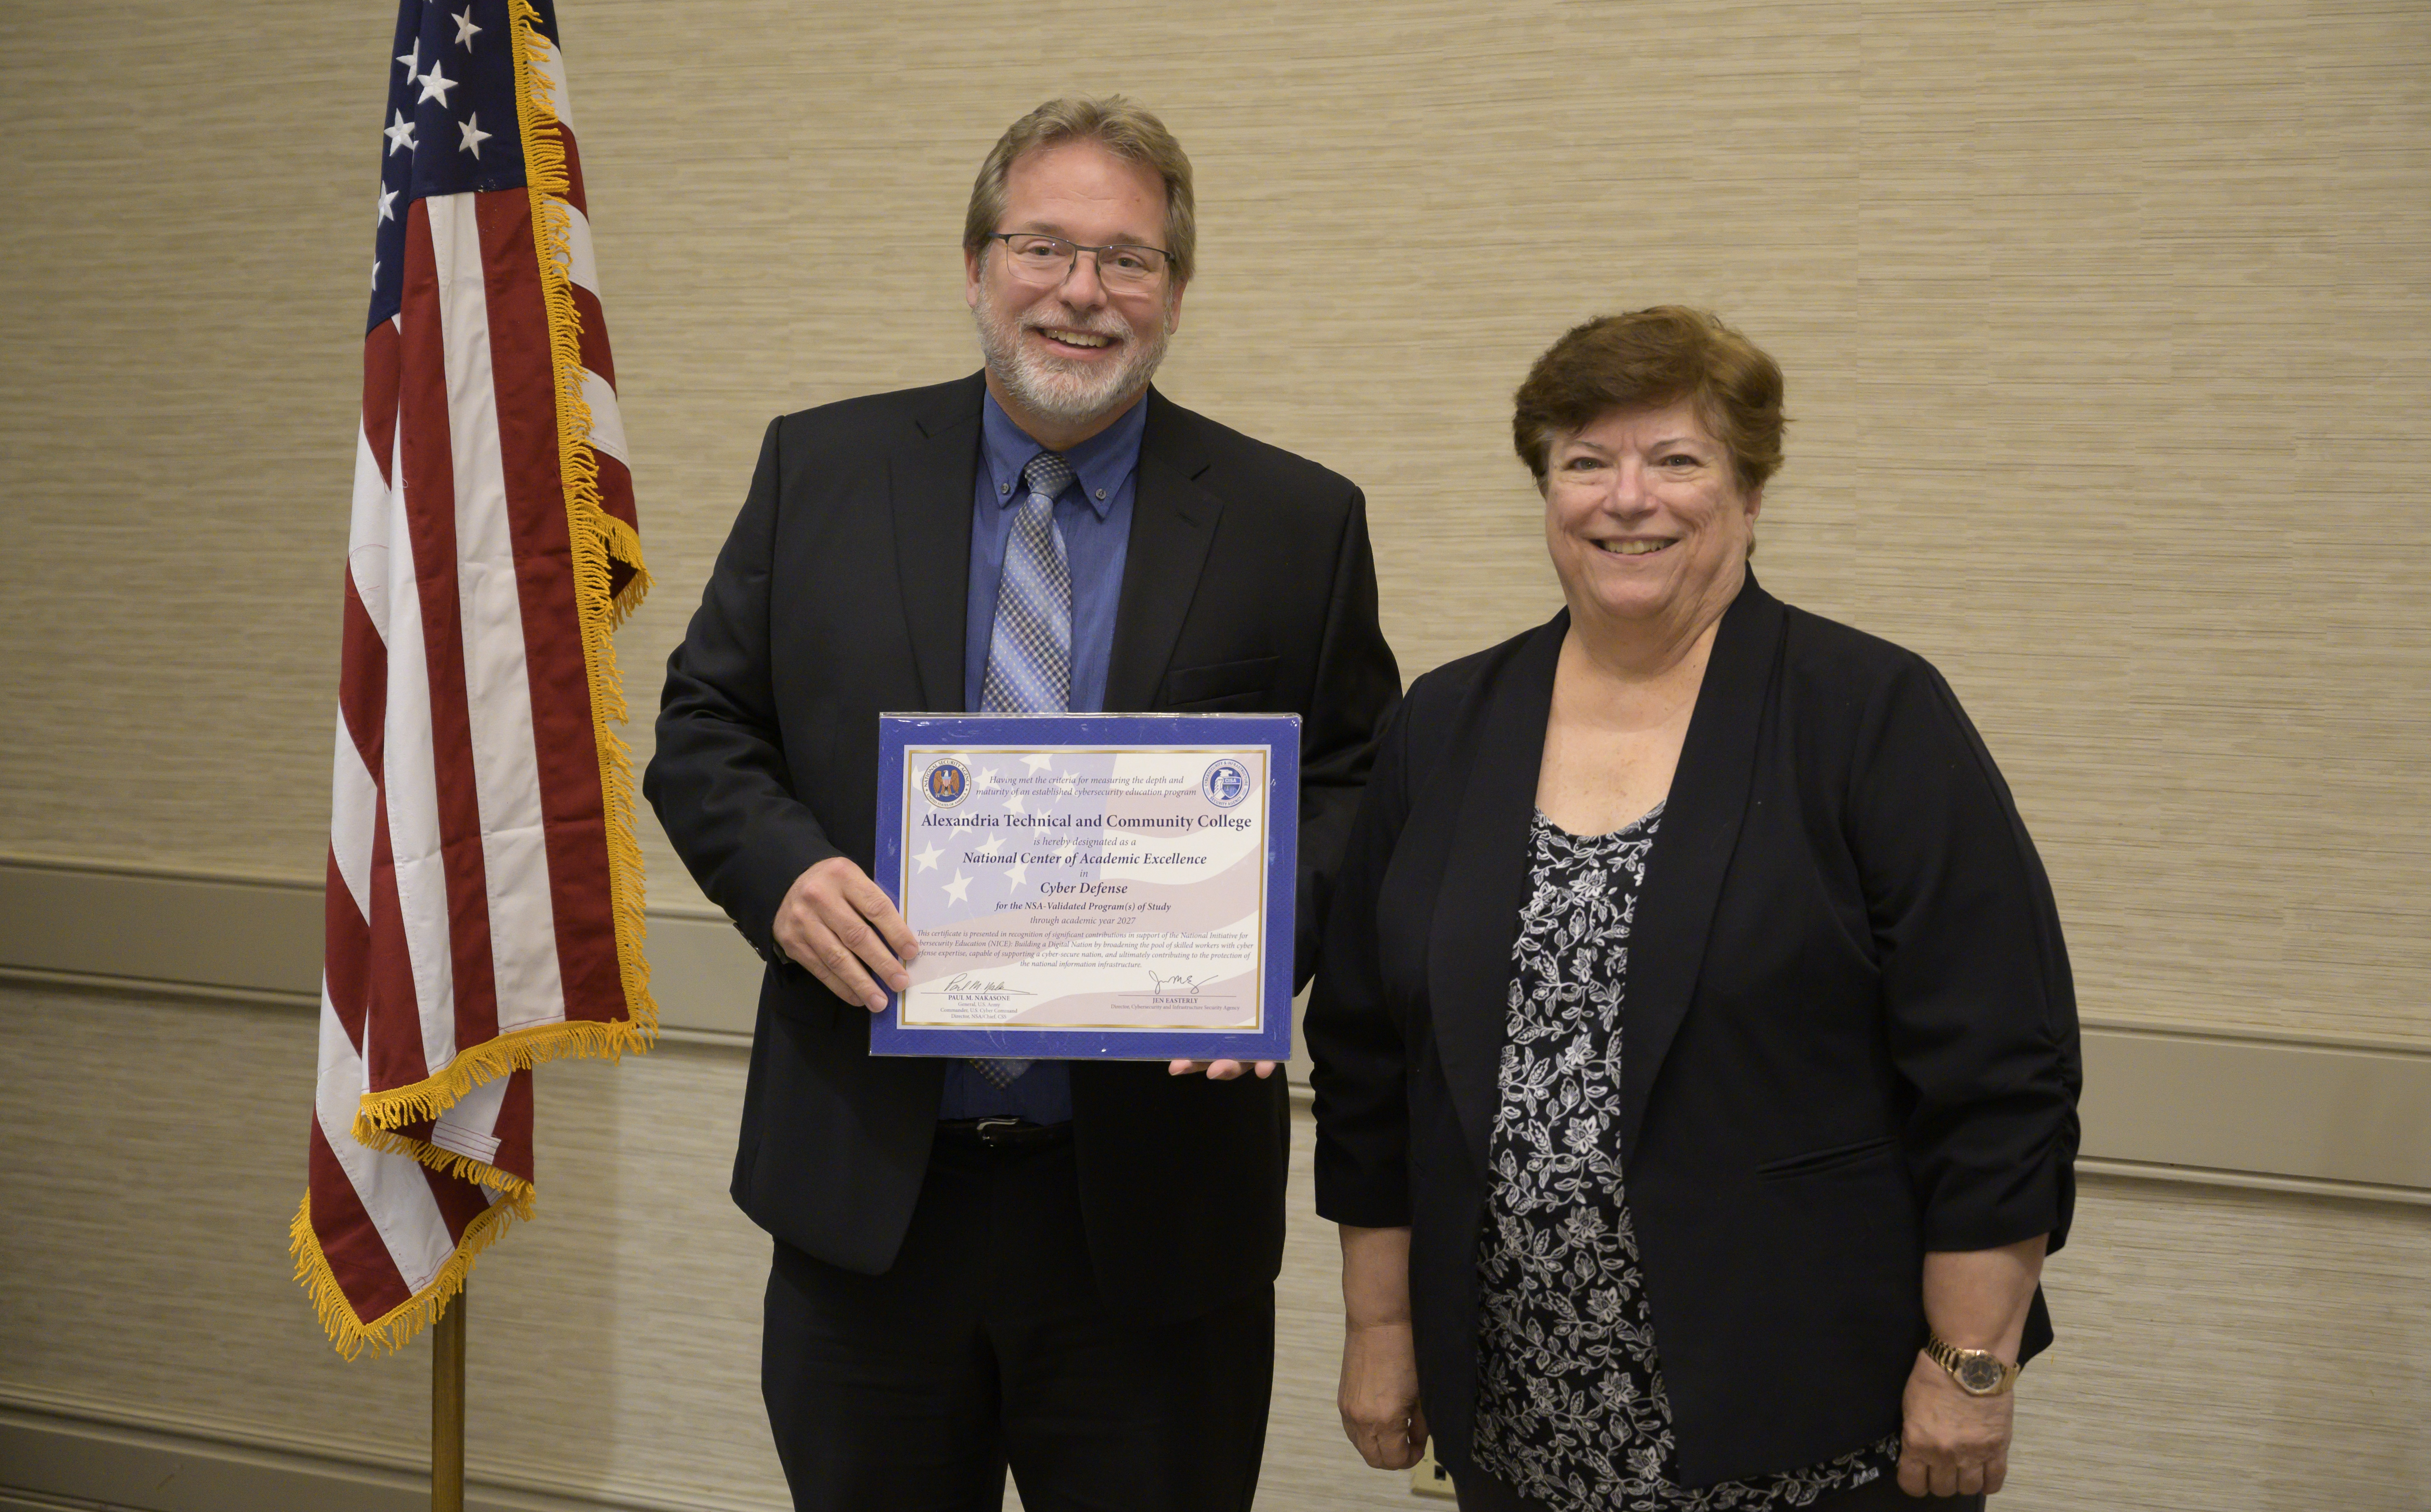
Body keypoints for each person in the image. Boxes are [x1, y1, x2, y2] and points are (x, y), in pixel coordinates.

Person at [644, 96, 1399, 1512]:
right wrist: (787, 876)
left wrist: (1255, 937)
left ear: (1175, 293)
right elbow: (705, 731)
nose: (1082, 292)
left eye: (1128, 259)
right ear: (979, 265)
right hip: (872, 1202)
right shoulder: (823, 470)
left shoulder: (1297, 521)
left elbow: (1364, 784)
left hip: (1152, 1224)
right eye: (1044, 247)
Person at [1304, 307, 2080, 1511]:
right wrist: (1380, 1325)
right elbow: (1367, 1062)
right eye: (1585, 462)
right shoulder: (1447, 725)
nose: (1629, 500)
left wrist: (1971, 1366)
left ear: (1750, 491)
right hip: (1522, 1434)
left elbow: (1999, 1074)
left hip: (1814, 1429)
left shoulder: (1869, 715)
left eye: (1677, 460)